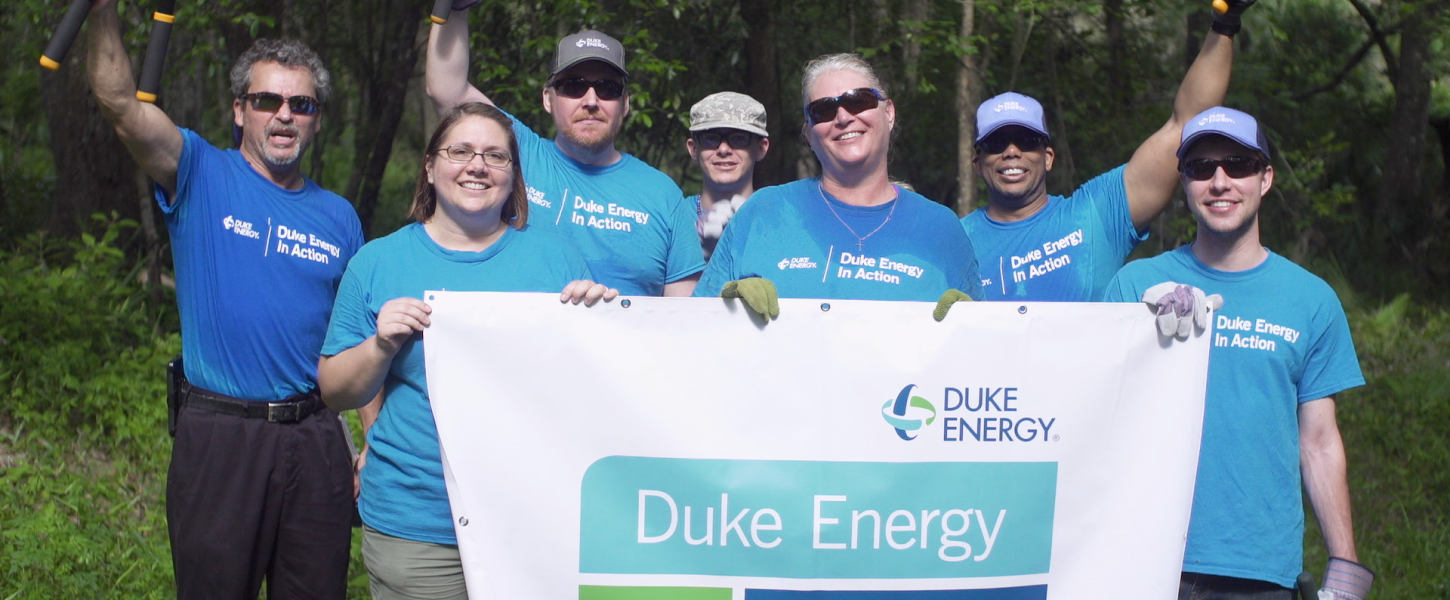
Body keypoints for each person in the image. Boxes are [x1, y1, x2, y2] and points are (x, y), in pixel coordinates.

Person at [83, 1, 362, 597]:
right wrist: (103, 11)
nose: (284, 116)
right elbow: (119, 103)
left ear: (316, 120)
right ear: (241, 111)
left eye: (301, 105)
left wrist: (365, 443)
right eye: (267, 101)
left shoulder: (339, 218)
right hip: (220, 439)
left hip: (315, 439)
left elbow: (357, 338)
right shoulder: (198, 172)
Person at [317, 102, 614, 600]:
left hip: (532, 520)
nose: (478, 166)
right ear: (431, 167)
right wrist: (381, 346)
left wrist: (599, 320)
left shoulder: (556, 258)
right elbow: (333, 391)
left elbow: (593, 390)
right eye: (461, 151)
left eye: (496, 156)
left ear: (513, 176)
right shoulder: (377, 261)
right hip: (417, 523)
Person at [1105, 107, 1374, 600]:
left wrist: (1345, 564)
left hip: (1260, 569)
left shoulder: (1311, 300)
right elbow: (1095, 410)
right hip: (1145, 556)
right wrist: (1140, 333)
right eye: (1202, 168)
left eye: (1238, 164)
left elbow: (1318, 442)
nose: (1220, 181)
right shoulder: (1136, 284)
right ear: (1184, 183)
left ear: (1266, 178)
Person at [961, 0, 1256, 301]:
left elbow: (1186, 123)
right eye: (996, 144)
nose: (1012, 151)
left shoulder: (1097, 215)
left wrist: (1225, 24)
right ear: (977, 163)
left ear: (1048, 157)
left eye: (1025, 141)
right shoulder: (953, 240)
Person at [426, 13, 702, 296]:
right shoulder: (516, 153)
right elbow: (448, 90)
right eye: (574, 86)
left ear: (625, 103)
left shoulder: (662, 194)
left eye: (608, 88)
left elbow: (683, 316)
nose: (591, 101)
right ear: (548, 98)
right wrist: (455, 10)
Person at [695, 53, 982, 310]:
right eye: (824, 110)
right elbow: (694, 332)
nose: (843, 117)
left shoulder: (941, 228)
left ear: (889, 113)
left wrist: (970, 326)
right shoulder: (764, 212)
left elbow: (982, 350)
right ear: (809, 133)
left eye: (859, 101)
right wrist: (724, 311)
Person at [684, 91, 771, 260]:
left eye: (739, 138)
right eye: (710, 138)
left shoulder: (779, 219)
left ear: (761, 148)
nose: (723, 150)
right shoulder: (673, 220)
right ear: (693, 148)